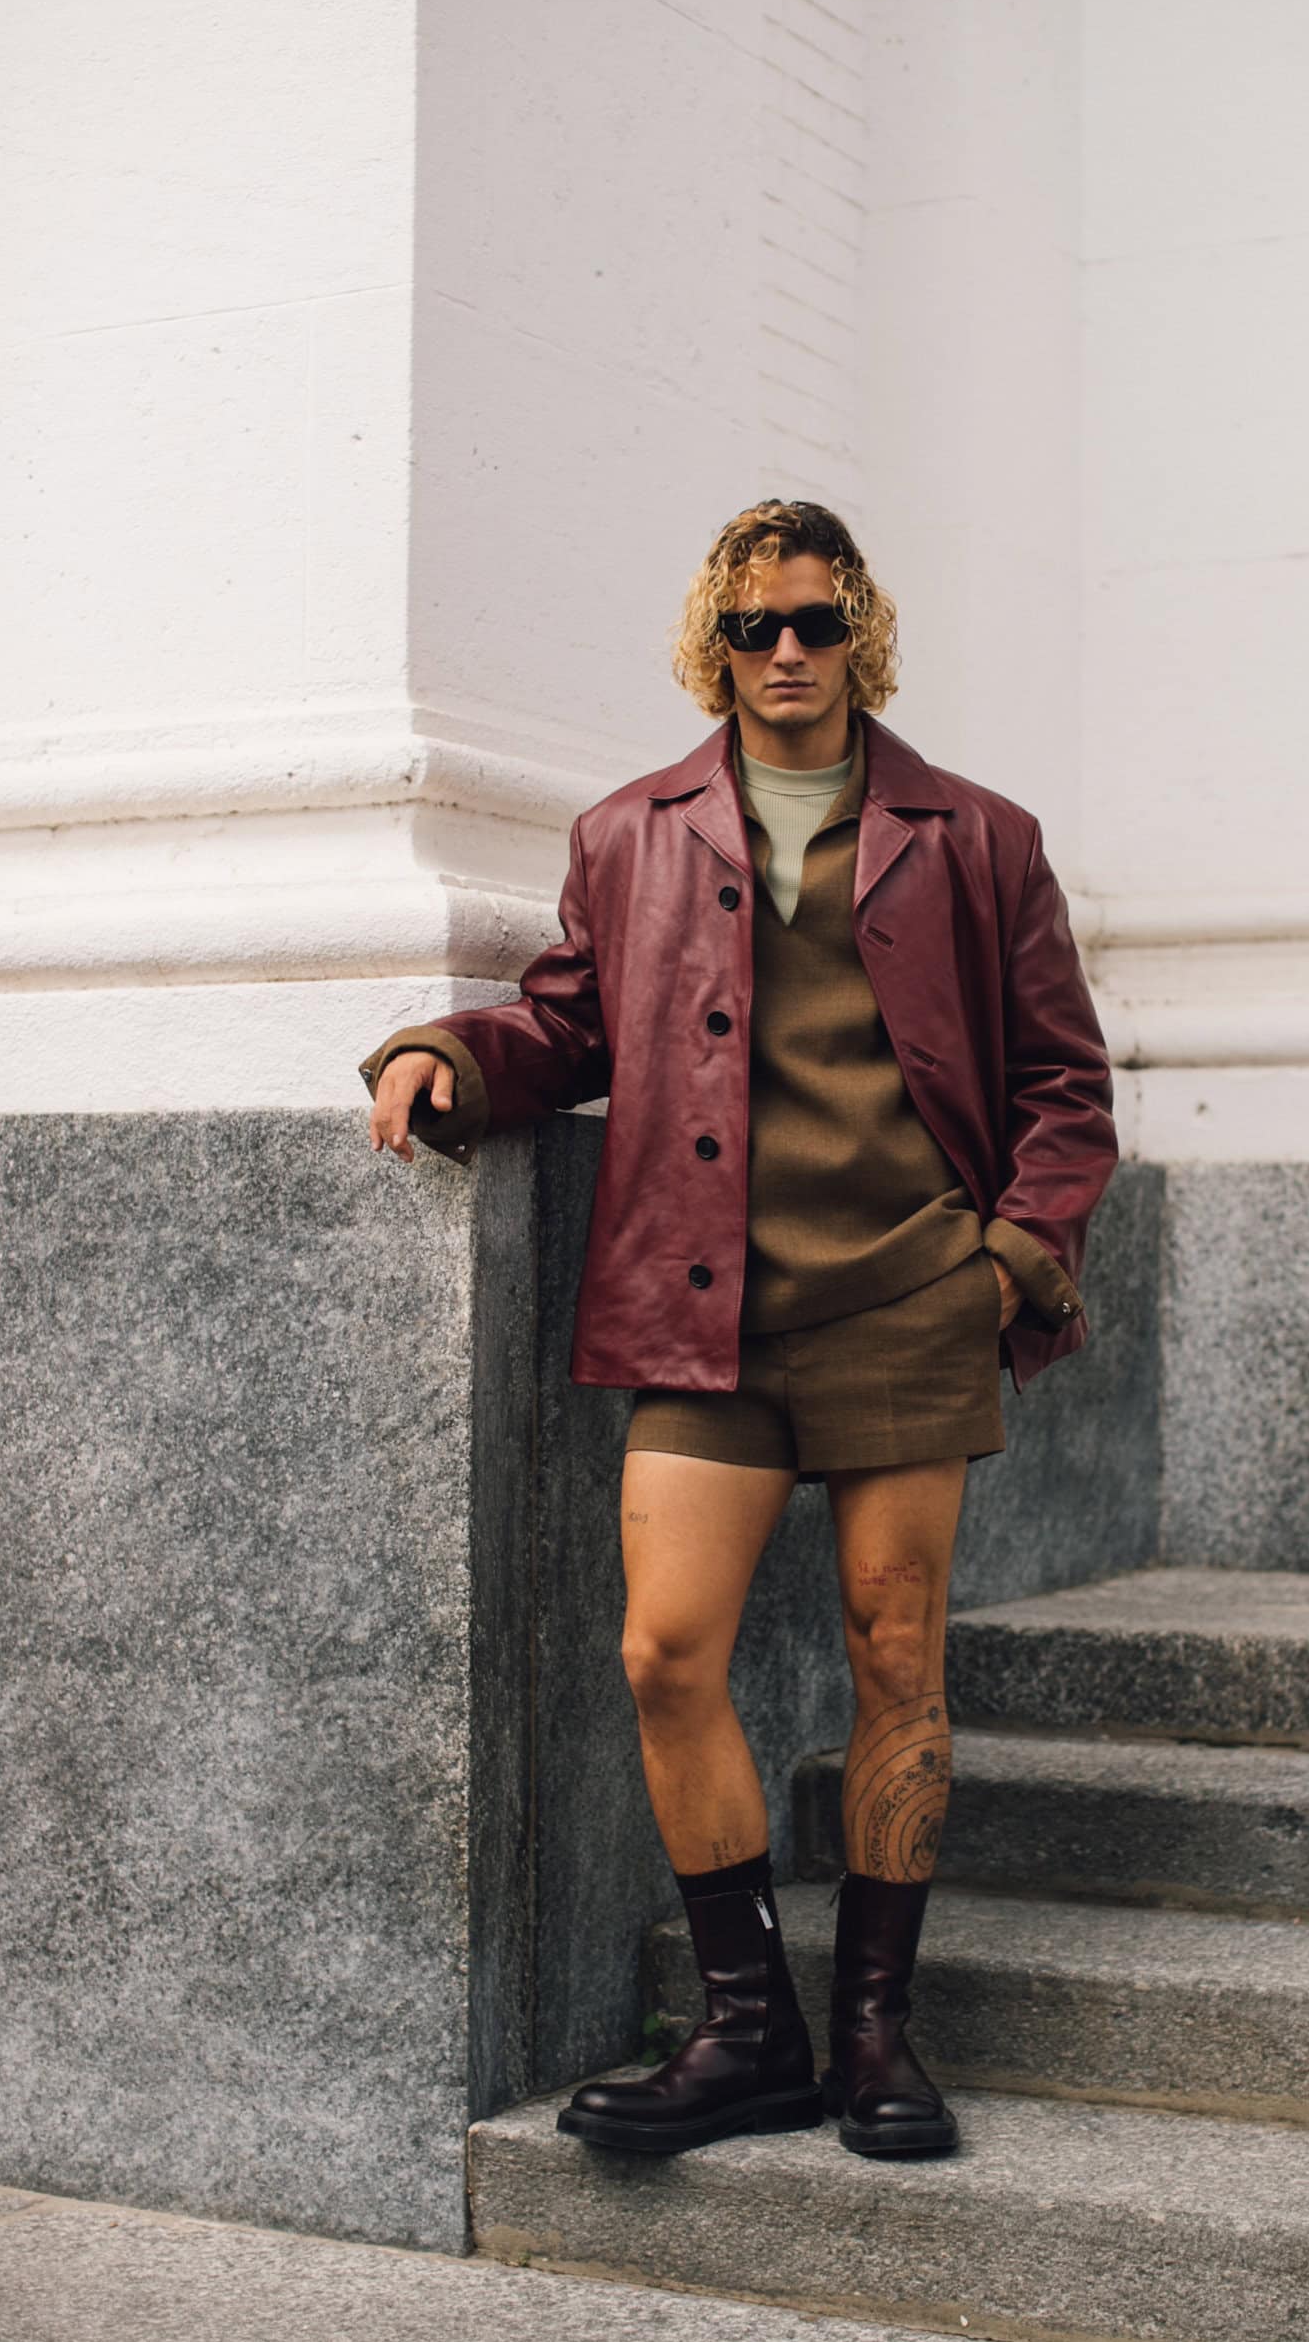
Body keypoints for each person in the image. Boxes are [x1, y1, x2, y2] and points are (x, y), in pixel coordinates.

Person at [359, 498, 1117, 2162]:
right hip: (703, 1311)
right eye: (754, 626)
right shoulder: (630, 833)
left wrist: (1008, 1263)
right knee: (665, 1651)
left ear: (862, 636)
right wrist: (450, 1055)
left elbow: (1066, 1085)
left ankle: (877, 2037)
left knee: (896, 1657)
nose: (786, 651)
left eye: (816, 623)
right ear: (715, 644)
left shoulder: (980, 838)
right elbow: (573, 1018)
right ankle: (751, 2030)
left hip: (910, 1299)